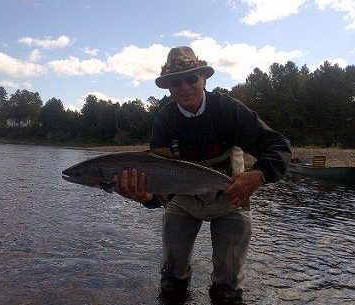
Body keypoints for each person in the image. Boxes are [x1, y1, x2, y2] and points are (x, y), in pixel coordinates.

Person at [113, 46, 291, 304]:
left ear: (204, 79)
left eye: (191, 78)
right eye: (176, 81)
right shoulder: (165, 120)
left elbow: (279, 145)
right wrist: (144, 196)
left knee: (227, 288)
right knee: (171, 279)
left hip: (231, 199)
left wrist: (259, 175)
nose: (184, 86)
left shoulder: (228, 109)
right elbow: (159, 188)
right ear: (169, 88)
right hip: (183, 202)